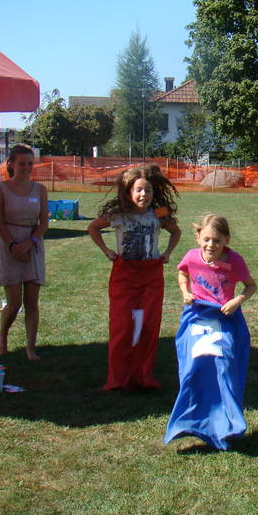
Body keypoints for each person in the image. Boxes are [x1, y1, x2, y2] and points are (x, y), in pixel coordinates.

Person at [165, 214, 257, 450]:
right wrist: (185, 292)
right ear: (198, 237)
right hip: (197, 317)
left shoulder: (235, 261)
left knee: (224, 367)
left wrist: (236, 301)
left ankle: (226, 423)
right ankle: (191, 420)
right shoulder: (191, 257)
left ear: (226, 240)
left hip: (225, 319)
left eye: (217, 241)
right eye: (206, 239)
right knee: (193, 367)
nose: (211, 245)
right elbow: (183, 272)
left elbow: (251, 285)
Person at [88, 165, 181, 390]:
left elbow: (176, 231)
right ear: (129, 191)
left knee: (149, 325)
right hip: (124, 275)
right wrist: (107, 251)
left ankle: (143, 375)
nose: (143, 195)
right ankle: (118, 378)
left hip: (151, 275)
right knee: (122, 325)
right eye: (138, 190)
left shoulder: (159, 213)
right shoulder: (119, 214)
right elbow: (93, 228)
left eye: (148, 190)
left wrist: (167, 253)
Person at [0, 144, 48, 361]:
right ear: (11, 164)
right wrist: (14, 246)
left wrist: (29, 243)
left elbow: (44, 224)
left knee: (32, 302)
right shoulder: (1, 189)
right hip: (10, 246)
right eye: (22, 163)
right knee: (14, 304)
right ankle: (2, 336)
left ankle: (30, 348)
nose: (26, 168)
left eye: (29, 164)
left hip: (33, 245)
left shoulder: (40, 189)